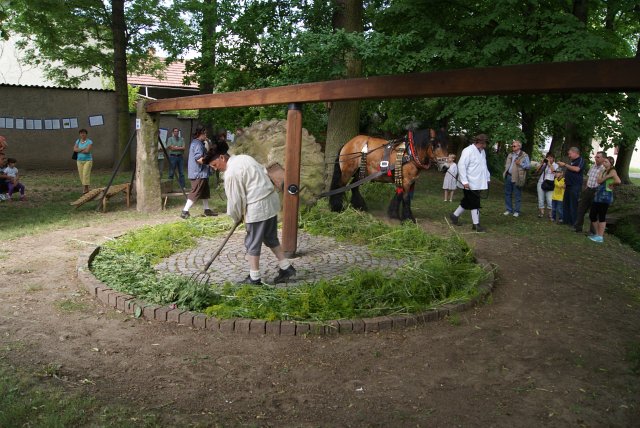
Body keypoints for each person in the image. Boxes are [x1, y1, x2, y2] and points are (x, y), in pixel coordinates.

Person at [203, 147, 296, 285]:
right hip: (271, 201)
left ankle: (254, 278)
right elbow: (264, 172)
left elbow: (235, 200)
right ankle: (286, 267)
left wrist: (236, 217)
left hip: (258, 207)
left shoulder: (231, 173)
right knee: (270, 237)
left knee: (252, 243)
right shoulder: (244, 158)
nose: (215, 169)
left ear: (222, 158)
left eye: (215, 165)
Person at [449, 134, 491, 232]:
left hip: (478, 182)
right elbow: (461, 166)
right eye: (484, 143)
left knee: (467, 201)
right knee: (475, 202)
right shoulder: (468, 151)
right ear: (479, 142)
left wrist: (487, 177)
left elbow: (484, 166)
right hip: (469, 183)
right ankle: (476, 224)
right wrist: (464, 181)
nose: (485, 145)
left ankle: (454, 216)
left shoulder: (482, 152)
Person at [180, 126, 219, 219]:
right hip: (198, 173)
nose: (206, 135)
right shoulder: (197, 144)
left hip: (202, 173)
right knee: (195, 192)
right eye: (205, 134)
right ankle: (185, 211)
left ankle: (207, 209)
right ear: (200, 134)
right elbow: (199, 159)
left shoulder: (199, 143)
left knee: (205, 191)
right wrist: (211, 165)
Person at [570, 151, 605, 234]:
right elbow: (588, 178)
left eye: (598, 157)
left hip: (596, 191)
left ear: (603, 158)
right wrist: (586, 187)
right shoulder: (593, 166)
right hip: (588, 189)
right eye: (596, 157)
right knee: (581, 208)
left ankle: (592, 232)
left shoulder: (604, 169)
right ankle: (578, 228)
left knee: (594, 212)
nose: (596, 158)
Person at [588, 157, 621, 243]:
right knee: (592, 215)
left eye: (606, 162)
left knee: (602, 215)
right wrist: (605, 177)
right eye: (604, 161)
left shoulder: (612, 171)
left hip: (606, 195)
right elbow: (598, 181)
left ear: (611, 163)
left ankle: (600, 236)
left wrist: (611, 183)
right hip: (599, 195)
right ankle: (597, 233)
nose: (604, 163)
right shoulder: (604, 171)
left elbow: (618, 181)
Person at [556, 147, 585, 228]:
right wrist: (565, 182)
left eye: (570, 154)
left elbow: (577, 169)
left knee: (573, 204)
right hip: (568, 185)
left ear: (575, 153)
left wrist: (565, 164)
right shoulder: (572, 161)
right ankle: (566, 220)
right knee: (566, 203)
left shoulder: (580, 160)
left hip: (575, 185)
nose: (569, 155)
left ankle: (573, 222)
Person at [502, 140, 530, 217]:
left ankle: (517, 211)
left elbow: (528, 166)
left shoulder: (524, 155)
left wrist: (520, 163)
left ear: (519, 147)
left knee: (517, 194)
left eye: (514, 146)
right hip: (509, 176)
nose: (512, 147)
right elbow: (507, 164)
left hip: (517, 177)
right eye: (512, 146)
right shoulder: (510, 154)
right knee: (507, 193)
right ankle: (509, 209)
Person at [534, 152, 558, 218]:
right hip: (541, 182)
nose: (549, 159)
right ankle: (541, 212)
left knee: (549, 200)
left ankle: (550, 213)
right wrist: (542, 163)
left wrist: (549, 164)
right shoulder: (544, 164)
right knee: (540, 199)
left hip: (550, 183)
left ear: (553, 158)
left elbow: (555, 172)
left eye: (551, 158)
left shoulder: (556, 165)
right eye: (548, 157)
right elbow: (536, 171)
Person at [73, 129, 93, 194]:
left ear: (86, 134)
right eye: (81, 133)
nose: (82, 134)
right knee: (81, 175)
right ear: (80, 134)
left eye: (84, 133)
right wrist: (83, 149)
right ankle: (85, 187)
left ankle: (85, 188)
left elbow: (87, 151)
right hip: (79, 161)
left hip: (88, 160)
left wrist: (79, 150)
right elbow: (75, 149)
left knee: (85, 174)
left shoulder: (89, 142)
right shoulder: (78, 141)